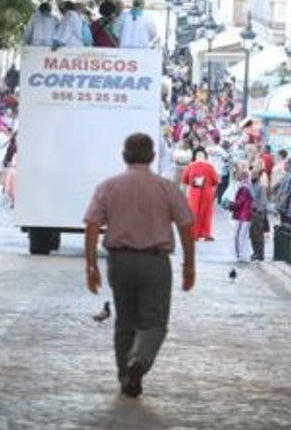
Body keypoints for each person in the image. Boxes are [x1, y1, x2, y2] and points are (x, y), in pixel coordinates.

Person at [83, 133, 196, 399]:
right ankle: (139, 361)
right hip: (155, 262)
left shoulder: (108, 187)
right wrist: (189, 265)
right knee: (155, 322)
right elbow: (186, 226)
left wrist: (91, 265)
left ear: (124, 156)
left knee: (125, 321)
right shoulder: (166, 188)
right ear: (153, 156)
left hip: (119, 262)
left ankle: (125, 376)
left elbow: (92, 225)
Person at [182, 148, 219, 241]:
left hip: (194, 192)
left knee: (194, 213)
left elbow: (184, 179)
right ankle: (206, 234)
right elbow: (215, 180)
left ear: (195, 156)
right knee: (206, 213)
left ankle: (194, 234)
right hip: (207, 192)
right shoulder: (210, 166)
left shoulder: (190, 166)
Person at [229, 169, 255, 262]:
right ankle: (244, 254)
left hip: (242, 215)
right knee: (244, 235)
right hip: (247, 214)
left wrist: (230, 205)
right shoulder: (249, 186)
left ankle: (239, 254)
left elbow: (240, 202)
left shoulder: (243, 188)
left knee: (238, 235)